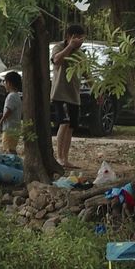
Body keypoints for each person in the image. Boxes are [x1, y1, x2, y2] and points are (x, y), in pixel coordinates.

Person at [49, 23, 86, 168]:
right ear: (69, 37)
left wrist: (97, 89)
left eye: (81, 39)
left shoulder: (81, 54)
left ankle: (65, 157)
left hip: (74, 95)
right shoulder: (59, 48)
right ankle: (59, 157)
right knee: (64, 123)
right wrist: (70, 46)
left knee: (71, 127)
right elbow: (56, 60)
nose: (79, 41)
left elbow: (86, 73)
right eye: (76, 38)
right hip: (60, 93)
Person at [0, 71, 24, 153]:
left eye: (5, 82)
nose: (4, 84)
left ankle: (12, 163)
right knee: (12, 148)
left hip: (9, 128)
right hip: (15, 128)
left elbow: (9, 110)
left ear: (9, 83)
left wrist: (1, 120)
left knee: (8, 149)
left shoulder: (11, 96)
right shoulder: (17, 96)